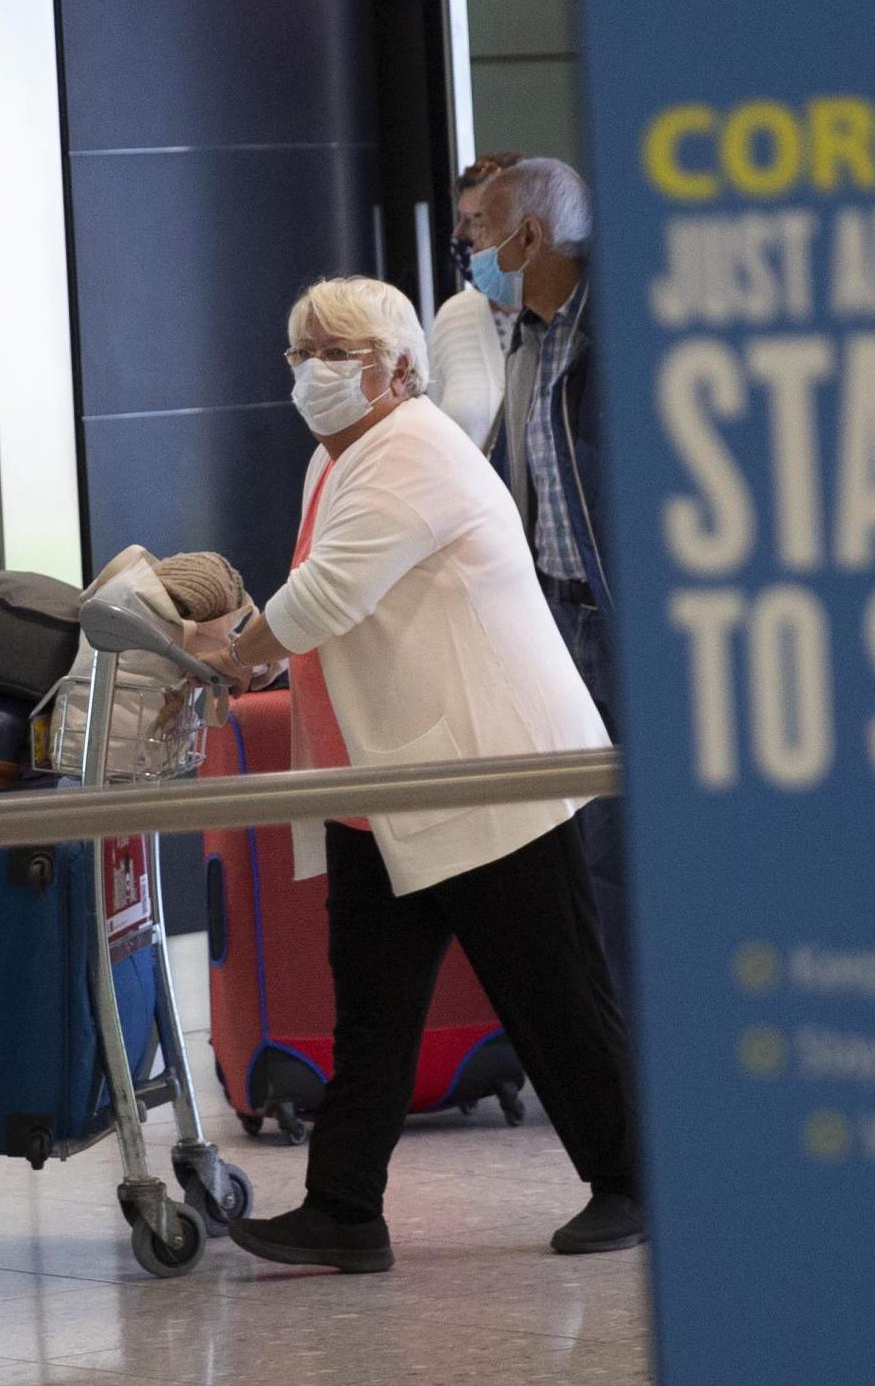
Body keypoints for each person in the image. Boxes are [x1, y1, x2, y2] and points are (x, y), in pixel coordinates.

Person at [205, 276, 642, 1273]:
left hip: (485, 769)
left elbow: (323, 595)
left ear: (396, 367)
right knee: (373, 1004)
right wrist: (251, 646)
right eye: (298, 351)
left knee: (555, 993)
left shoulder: (412, 449)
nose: (309, 370)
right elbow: (322, 607)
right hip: (387, 785)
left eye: (333, 352)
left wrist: (231, 646)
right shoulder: (340, 458)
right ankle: (344, 1208)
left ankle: (635, 1180)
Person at [478, 156, 633, 1015]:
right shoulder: (527, 339)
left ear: (527, 235)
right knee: (581, 848)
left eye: (481, 230)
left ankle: (640, 1049)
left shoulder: (619, 326)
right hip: (557, 626)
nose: (471, 248)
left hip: (623, 629)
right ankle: (613, 1038)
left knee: (614, 852)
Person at [427, 150, 524, 451]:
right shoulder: (453, 316)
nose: (463, 236)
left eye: (477, 221)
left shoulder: (574, 318)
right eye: (463, 221)